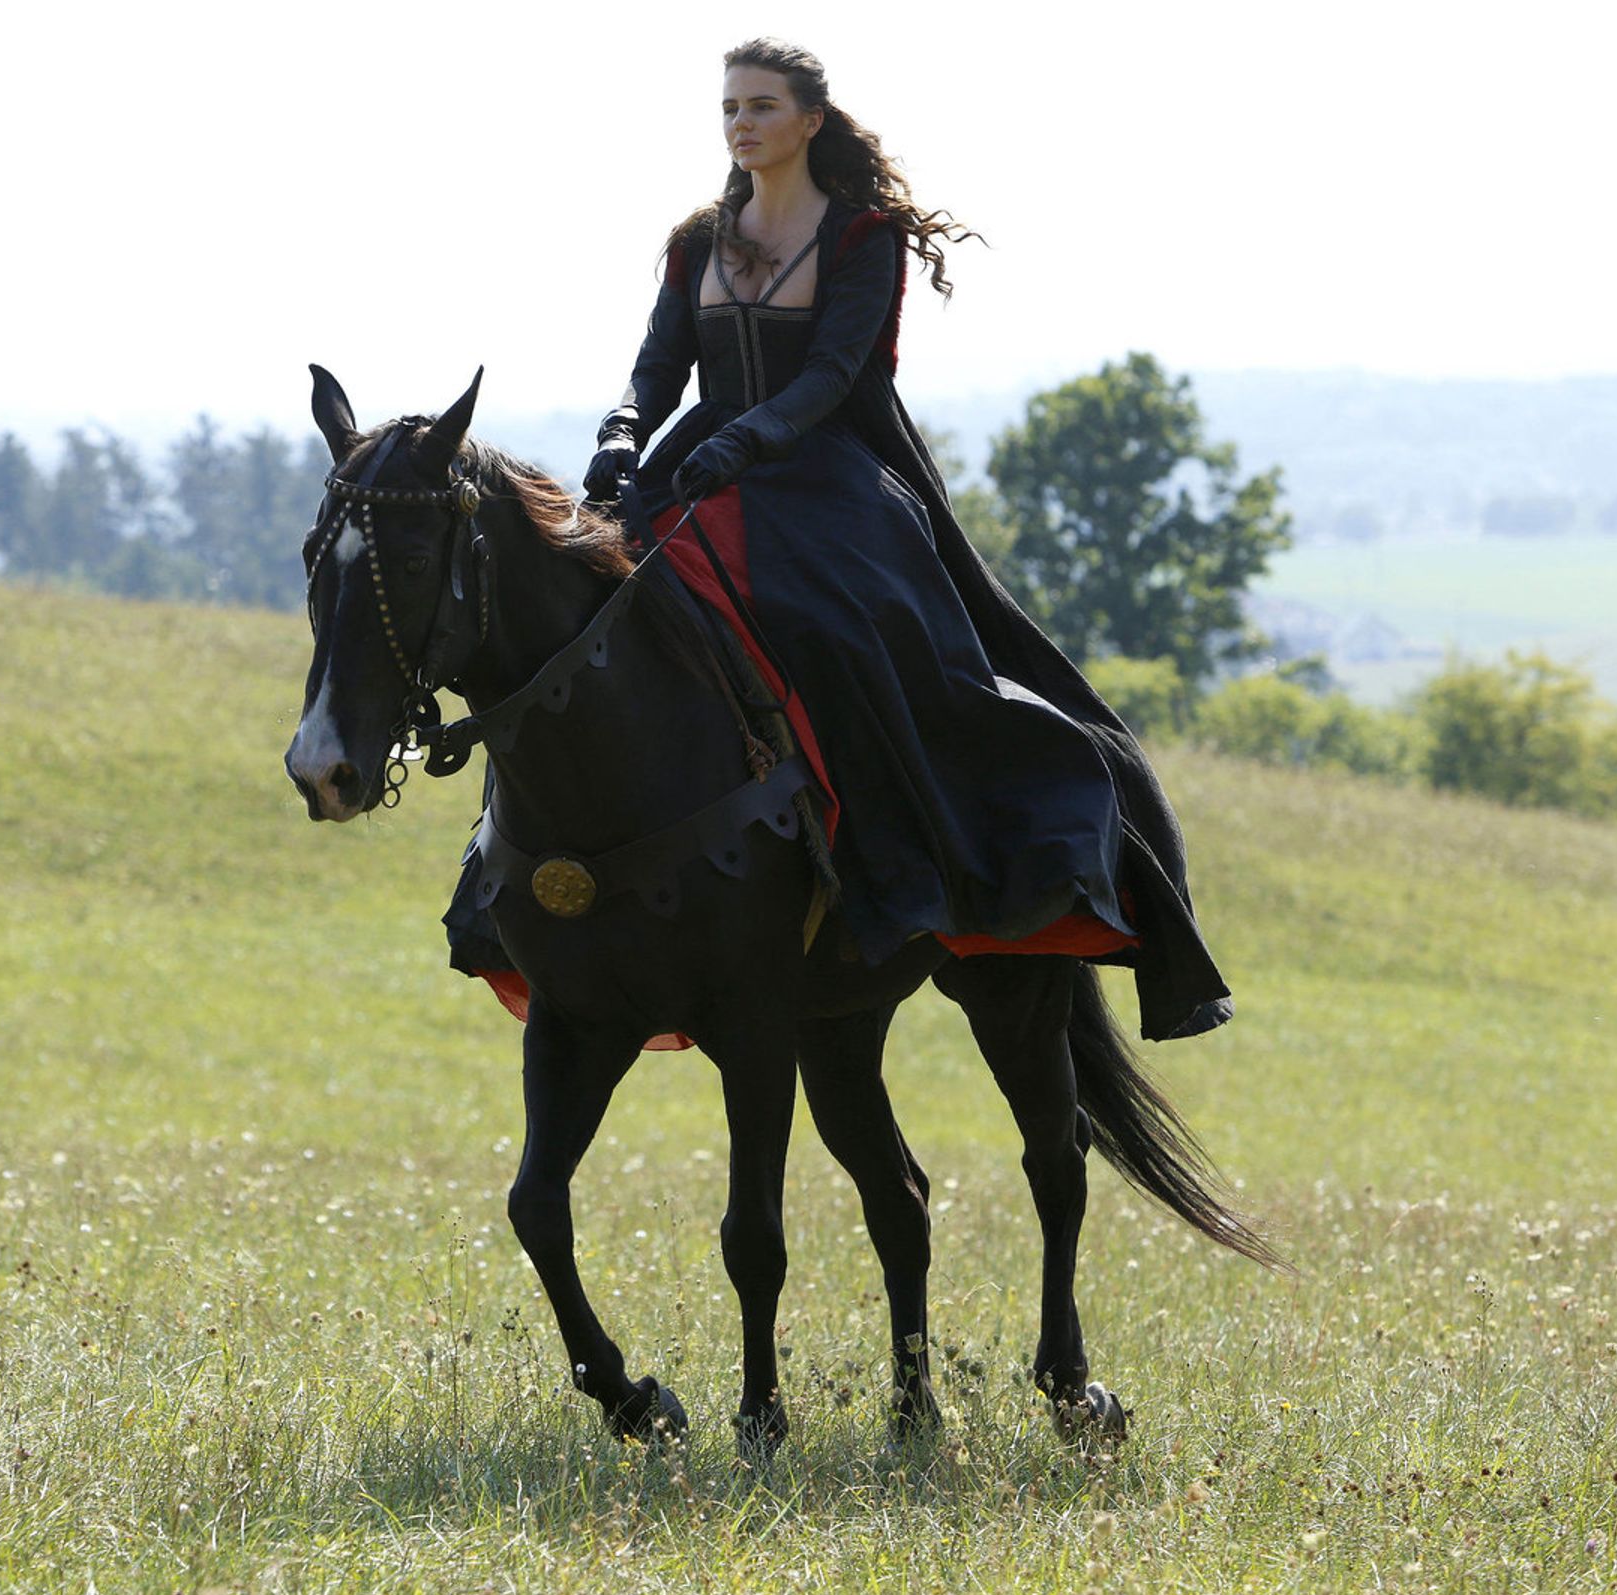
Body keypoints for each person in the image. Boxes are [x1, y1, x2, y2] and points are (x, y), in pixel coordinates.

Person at [451, 36, 1232, 1041]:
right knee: (579, 630)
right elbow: (657, 367)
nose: (742, 124)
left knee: (830, 628)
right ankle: (513, 880)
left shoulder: (865, 236)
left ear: (810, 120)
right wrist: (622, 434)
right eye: (730, 108)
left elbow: (832, 374)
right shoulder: (698, 240)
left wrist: (749, 437)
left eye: (762, 107)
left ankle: (881, 868)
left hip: (827, 475)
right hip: (697, 469)